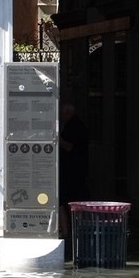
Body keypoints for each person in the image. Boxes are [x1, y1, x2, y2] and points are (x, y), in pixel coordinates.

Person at [58, 102, 90, 238]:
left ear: (68, 113)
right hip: (75, 170)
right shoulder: (76, 125)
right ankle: (76, 231)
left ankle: (71, 231)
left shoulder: (74, 127)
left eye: (62, 113)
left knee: (68, 201)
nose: (60, 116)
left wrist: (57, 139)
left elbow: (69, 147)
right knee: (73, 201)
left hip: (72, 171)